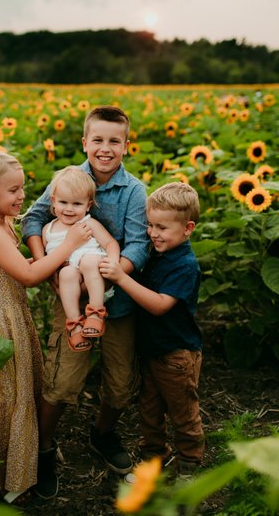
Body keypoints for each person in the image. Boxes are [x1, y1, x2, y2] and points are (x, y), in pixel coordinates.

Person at [21, 105, 148, 498]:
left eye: (114, 141)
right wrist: (49, 263)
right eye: (98, 140)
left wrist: (114, 271)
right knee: (61, 381)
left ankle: (103, 434)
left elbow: (139, 243)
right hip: (71, 296)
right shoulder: (68, 180)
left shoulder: (134, 191)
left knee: (121, 383)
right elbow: (32, 219)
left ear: (127, 146)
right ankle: (43, 447)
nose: (105, 148)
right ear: (85, 142)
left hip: (120, 299)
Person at [0, 148, 92, 500]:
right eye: (14, 190)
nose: (22, 196)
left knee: (13, 391)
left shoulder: (1, 220)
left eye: (23, 188)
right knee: (2, 394)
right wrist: (72, 244)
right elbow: (30, 275)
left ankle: (13, 463)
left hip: (7, 313)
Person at [99, 182, 205, 476]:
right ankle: (154, 459)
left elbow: (159, 304)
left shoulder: (184, 265)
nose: (152, 233)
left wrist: (121, 277)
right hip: (153, 350)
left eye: (162, 227)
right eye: (150, 225)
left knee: (183, 413)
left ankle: (189, 465)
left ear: (187, 228)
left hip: (176, 355)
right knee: (150, 411)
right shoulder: (159, 254)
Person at [43, 165, 120, 351]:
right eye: (63, 202)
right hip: (73, 284)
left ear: (88, 205)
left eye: (77, 204)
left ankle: (95, 312)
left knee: (89, 260)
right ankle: (75, 324)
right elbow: (50, 259)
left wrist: (113, 262)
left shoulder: (89, 223)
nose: (69, 209)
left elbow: (110, 243)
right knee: (66, 273)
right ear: (53, 201)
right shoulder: (48, 230)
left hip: (95, 277)